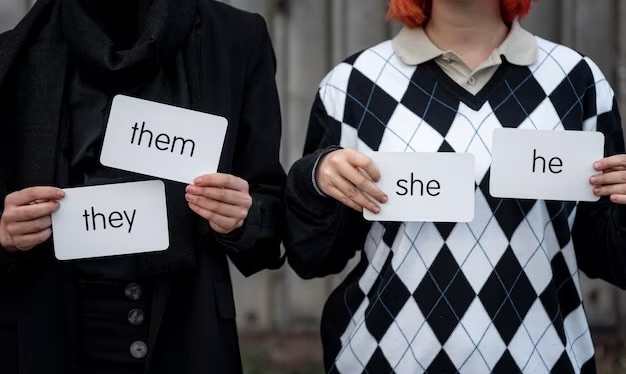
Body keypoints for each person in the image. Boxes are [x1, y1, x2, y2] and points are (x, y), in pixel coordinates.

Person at [285, 0, 626, 373]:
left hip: (543, 361)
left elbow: (608, 255)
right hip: (382, 360)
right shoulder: (352, 83)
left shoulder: (576, 81)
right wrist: (313, 179)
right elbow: (313, 257)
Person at [0, 0, 285, 373]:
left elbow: (271, 210)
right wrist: (5, 232)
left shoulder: (235, 38)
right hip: (50, 333)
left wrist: (242, 218)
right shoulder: (16, 52)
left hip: (187, 334)